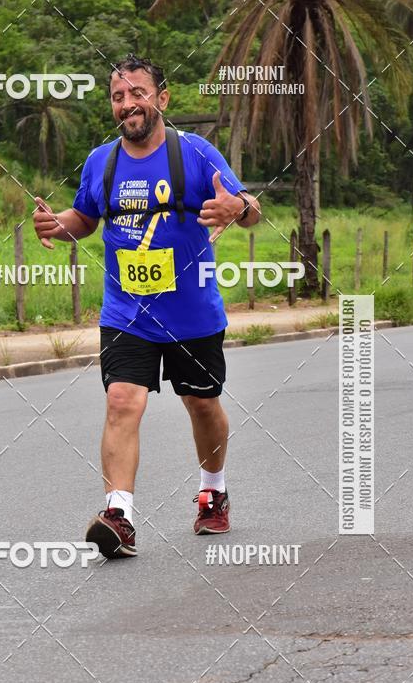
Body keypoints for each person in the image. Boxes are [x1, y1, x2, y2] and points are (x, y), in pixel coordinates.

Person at [32, 54, 260, 559]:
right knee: (122, 401)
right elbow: (85, 219)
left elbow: (249, 208)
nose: (128, 104)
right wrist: (57, 225)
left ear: (161, 98)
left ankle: (213, 489)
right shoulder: (102, 162)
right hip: (127, 313)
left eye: (137, 93)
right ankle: (119, 515)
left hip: (192, 315)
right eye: (118, 96)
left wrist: (236, 207)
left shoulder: (197, 154)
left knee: (201, 403)